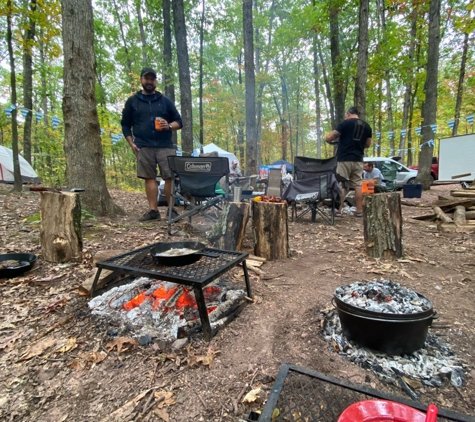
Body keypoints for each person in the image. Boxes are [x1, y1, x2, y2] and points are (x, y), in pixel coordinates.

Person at [121, 67, 183, 221]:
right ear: (141, 80)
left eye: (152, 79)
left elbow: (179, 122)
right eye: (146, 78)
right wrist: (131, 144)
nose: (149, 82)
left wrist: (168, 126)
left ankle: (171, 210)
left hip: (166, 145)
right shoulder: (133, 101)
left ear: (155, 81)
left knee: (169, 177)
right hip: (143, 145)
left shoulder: (164, 101)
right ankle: (153, 211)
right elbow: (125, 125)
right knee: (149, 178)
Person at [324, 106, 372, 217]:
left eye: (346, 115)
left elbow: (331, 137)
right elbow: (368, 144)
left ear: (348, 114)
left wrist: (327, 139)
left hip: (344, 159)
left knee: (342, 184)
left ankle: (339, 210)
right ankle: (359, 211)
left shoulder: (345, 124)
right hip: (358, 160)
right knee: (357, 185)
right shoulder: (367, 126)